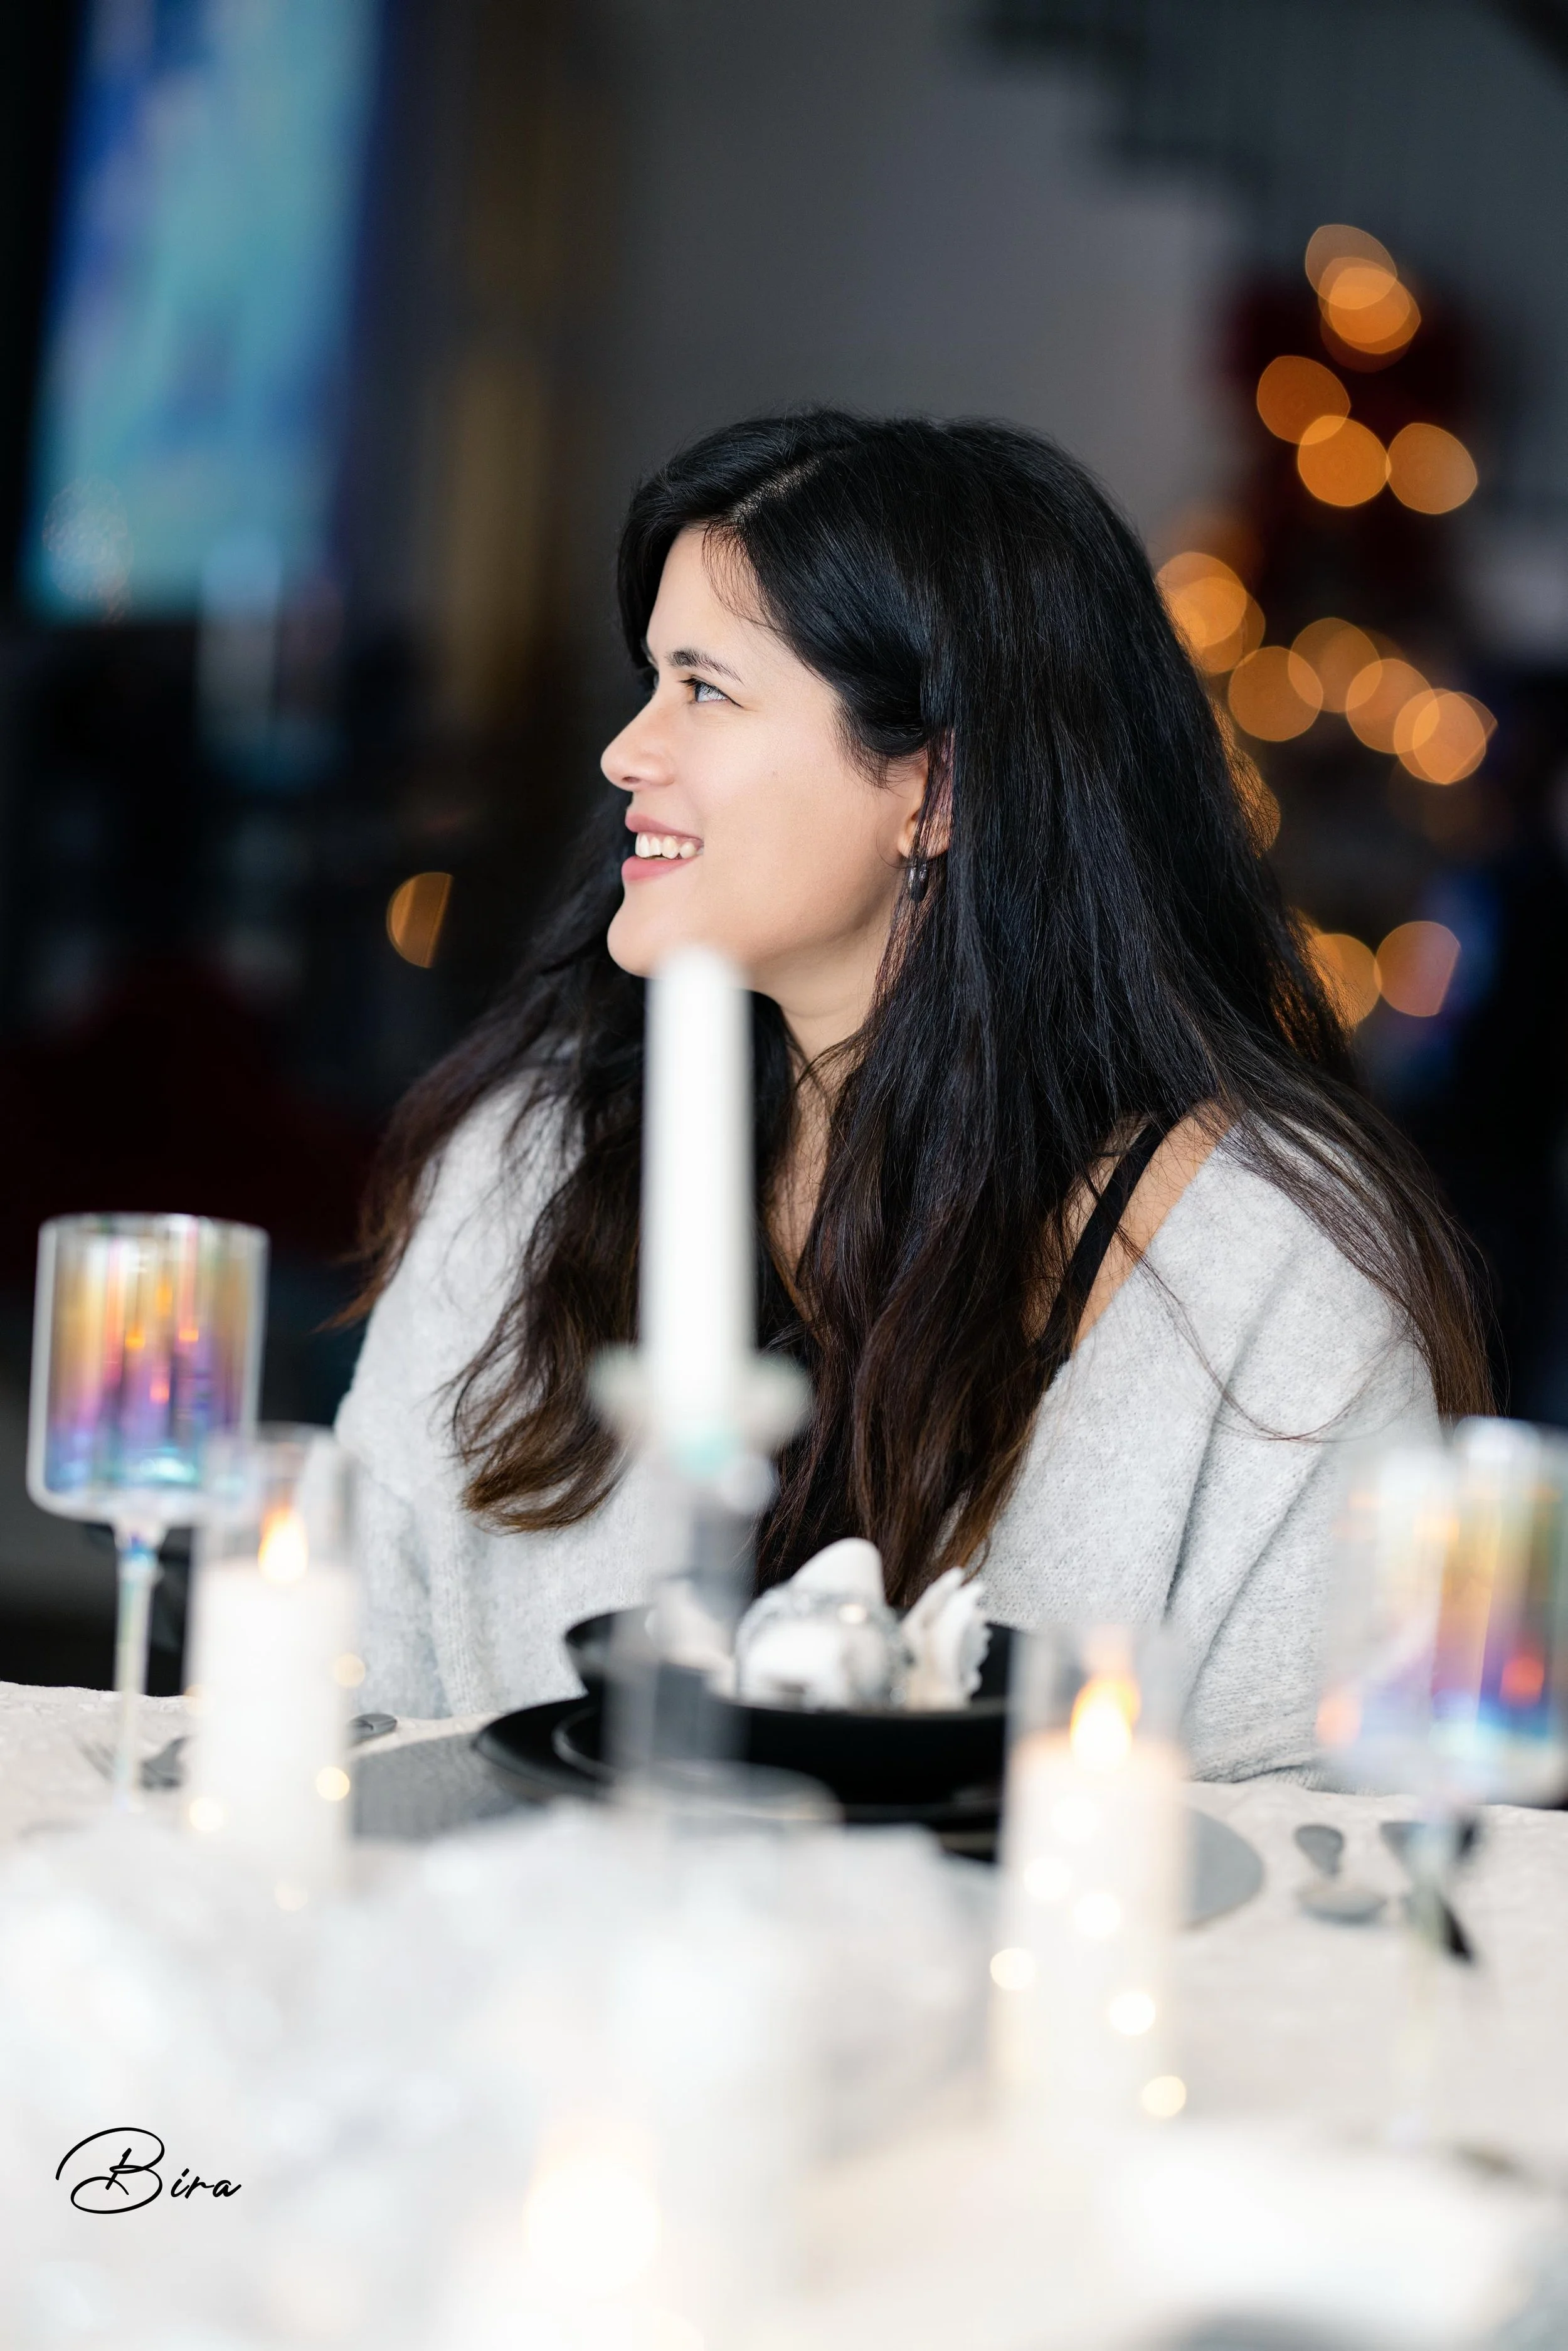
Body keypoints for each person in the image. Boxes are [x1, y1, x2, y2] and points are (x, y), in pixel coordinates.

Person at [337, 409, 1486, 1777]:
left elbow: (1335, 1843)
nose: (624, 753)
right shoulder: (526, 1171)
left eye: (703, 688)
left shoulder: (1262, 1284)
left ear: (933, 788)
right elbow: (356, 1689)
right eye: (648, 679)